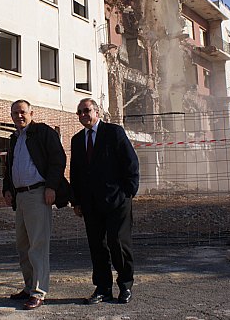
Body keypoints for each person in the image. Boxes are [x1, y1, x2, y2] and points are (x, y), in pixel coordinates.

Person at [70, 98, 139, 305]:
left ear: (97, 112)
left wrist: (128, 192)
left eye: (87, 110)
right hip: (91, 204)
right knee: (97, 247)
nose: (83, 115)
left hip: (117, 201)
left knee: (118, 244)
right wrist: (77, 201)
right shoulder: (77, 140)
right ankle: (103, 288)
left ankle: (125, 285)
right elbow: (76, 172)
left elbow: (131, 162)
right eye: (79, 112)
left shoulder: (113, 132)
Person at [2, 99, 67, 310]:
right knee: (23, 246)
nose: (19, 116)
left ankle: (39, 292)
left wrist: (51, 187)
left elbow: (58, 159)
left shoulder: (43, 132)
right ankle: (29, 286)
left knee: (38, 245)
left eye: (22, 112)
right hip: (20, 197)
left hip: (38, 194)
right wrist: (7, 189)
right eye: (15, 113)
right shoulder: (14, 138)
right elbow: (10, 165)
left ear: (31, 112)